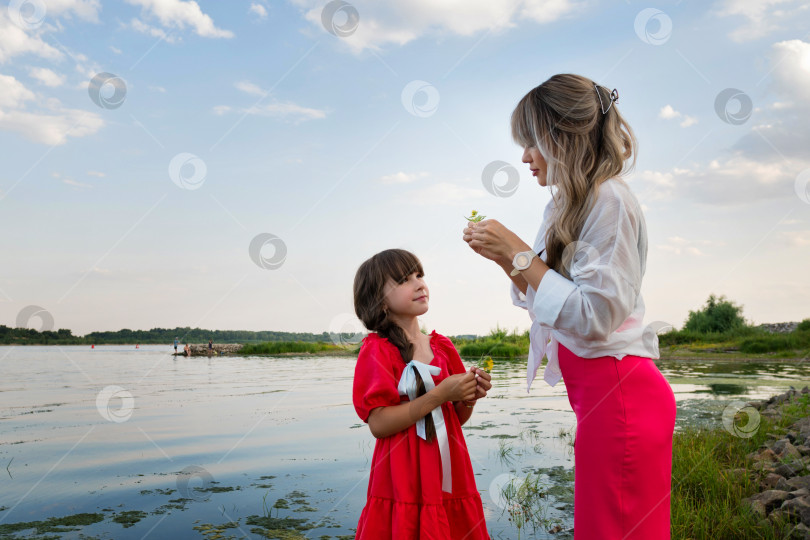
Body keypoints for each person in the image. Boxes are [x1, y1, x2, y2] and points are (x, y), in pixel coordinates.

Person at [463, 73, 676, 540]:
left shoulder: (610, 200)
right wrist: (507, 260)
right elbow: (547, 300)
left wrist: (520, 254)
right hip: (601, 402)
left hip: (622, 400)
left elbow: (596, 317)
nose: (524, 158)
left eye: (531, 143)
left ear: (562, 137)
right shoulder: (566, 204)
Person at [352, 248, 491, 540]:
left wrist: (469, 396)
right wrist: (439, 394)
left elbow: (455, 420)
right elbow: (378, 424)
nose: (419, 284)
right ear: (379, 300)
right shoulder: (377, 350)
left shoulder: (443, 347)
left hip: (447, 471)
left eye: (419, 275)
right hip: (401, 476)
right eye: (404, 279)